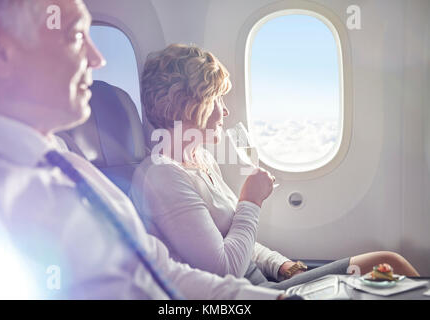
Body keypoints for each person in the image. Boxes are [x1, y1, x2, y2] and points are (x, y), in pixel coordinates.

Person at [0, 0, 286, 299]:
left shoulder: (72, 168)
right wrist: (250, 202)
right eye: (75, 36)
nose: (97, 58)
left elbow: (162, 271)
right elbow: (219, 268)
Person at [130, 43, 420, 291]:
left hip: (269, 283)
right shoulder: (162, 176)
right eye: (216, 98)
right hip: (250, 294)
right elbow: (225, 269)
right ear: (187, 104)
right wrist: (250, 201)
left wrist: (281, 265)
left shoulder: (201, 160)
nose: (226, 110)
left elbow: (234, 237)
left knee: (390, 267)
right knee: (391, 265)